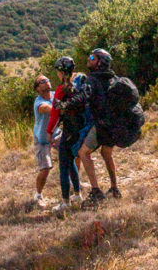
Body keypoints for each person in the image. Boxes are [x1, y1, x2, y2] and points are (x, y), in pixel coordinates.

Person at [63, 48, 121, 207]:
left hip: (101, 124)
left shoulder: (92, 79)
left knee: (83, 153)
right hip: (114, 124)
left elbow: (82, 98)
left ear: (99, 62)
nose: (88, 59)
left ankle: (95, 191)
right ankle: (115, 189)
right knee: (106, 153)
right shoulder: (112, 78)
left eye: (91, 57)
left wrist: (66, 104)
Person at [46, 56, 84, 214]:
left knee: (63, 165)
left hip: (68, 129)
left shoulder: (62, 89)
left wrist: (49, 132)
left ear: (62, 72)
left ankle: (65, 202)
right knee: (71, 162)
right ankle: (77, 194)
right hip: (78, 128)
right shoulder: (77, 85)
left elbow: (55, 113)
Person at [32, 73, 57, 208]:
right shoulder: (39, 102)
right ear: (37, 88)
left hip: (56, 134)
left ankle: (74, 183)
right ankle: (38, 195)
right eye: (42, 81)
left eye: (47, 79)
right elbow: (48, 109)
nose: (46, 81)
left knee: (74, 154)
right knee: (45, 168)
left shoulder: (55, 95)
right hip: (42, 139)